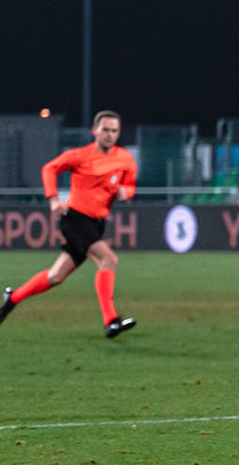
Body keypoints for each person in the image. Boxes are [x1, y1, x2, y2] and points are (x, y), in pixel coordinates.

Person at [0, 110, 139, 337]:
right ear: (95, 131)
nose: (109, 135)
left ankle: (12, 299)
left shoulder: (124, 158)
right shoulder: (80, 155)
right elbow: (49, 168)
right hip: (75, 220)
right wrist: (53, 199)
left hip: (97, 223)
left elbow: (131, 184)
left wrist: (127, 192)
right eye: (105, 130)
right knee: (108, 259)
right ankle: (110, 320)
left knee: (56, 277)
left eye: (114, 131)